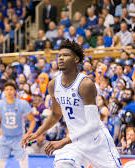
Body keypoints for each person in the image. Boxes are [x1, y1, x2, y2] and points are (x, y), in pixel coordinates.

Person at [21, 39, 122, 168]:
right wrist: (36, 134)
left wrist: (65, 140)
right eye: (60, 55)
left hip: (96, 140)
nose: (61, 58)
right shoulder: (54, 84)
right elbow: (55, 114)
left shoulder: (85, 84)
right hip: (75, 141)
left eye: (66, 55)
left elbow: (94, 123)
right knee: (63, 164)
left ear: (76, 59)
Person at [0, 82, 35, 168]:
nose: (9, 92)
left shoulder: (22, 103)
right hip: (4, 137)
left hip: (19, 137)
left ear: (15, 91)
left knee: (24, 161)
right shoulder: (0, 104)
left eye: (11, 89)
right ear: (4, 92)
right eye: (6, 90)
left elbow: (32, 120)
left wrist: (28, 134)